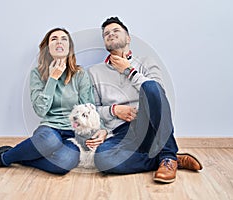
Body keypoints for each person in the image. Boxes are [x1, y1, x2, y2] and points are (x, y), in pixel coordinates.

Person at [86, 17, 203, 183]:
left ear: (128, 38)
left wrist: (129, 71)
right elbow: (94, 109)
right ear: (105, 42)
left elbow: (158, 94)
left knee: (151, 86)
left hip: (149, 126)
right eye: (106, 34)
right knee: (102, 160)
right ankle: (164, 160)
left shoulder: (147, 62)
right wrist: (113, 110)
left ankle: (168, 156)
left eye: (116, 31)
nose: (110, 34)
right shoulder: (94, 72)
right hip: (121, 131)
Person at [0, 27, 96, 174]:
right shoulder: (37, 73)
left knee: (65, 162)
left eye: (64, 39)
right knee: (49, 141)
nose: (59, 42)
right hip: (50, 128)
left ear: (70, 48)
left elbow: (89, 108)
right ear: (47, 48)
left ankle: (17, 155)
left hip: (74, 132)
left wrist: (96, 133)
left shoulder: (80, 74)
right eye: (54, 39)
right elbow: (40, 110)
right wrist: (53, 78)